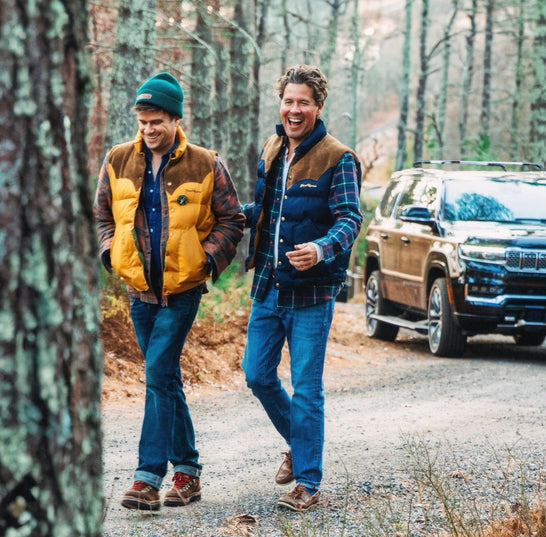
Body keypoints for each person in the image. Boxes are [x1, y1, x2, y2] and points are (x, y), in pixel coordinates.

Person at [94, 71, 244, 513]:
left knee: (157, 374)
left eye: (157, 121)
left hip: (182, 292)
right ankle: (189, 472)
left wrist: (206, 260)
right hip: (139, 291)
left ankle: (146, 479)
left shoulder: (205, 163)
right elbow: (102, 214)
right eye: (143, 122)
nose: (149, 130)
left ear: (176, 119)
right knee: (166, 378)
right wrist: (111, 255)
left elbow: (232, 219)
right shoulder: (118, 159)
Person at [242, 64, 362, 511]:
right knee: (256, 373)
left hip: (312, 293)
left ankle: (307, 482)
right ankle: (299, 440)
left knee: (307, 386)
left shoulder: (338, 157)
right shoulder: (273, 147)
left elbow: (350, 219)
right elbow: (269, 209)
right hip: (269, 286)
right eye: (289, 101)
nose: (295, 110)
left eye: (303, 103)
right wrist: (233, 213)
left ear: (318, 106)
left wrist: (321, 248)